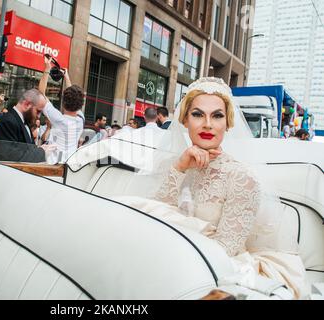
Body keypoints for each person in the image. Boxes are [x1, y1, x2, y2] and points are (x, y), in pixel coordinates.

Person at [114, 77, 308, 299]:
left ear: (228, 123)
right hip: (170, 253)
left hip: (221, 266)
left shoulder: (241, 177)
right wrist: (180, 167)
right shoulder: (173, 164)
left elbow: (224, 252)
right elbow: (154, 215)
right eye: (197, 114)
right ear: (185, 120)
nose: (208, 123)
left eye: (217, 115)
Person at [39, 56, 85, 163]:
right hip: (69, 167)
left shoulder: (59, 119)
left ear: (63, 102)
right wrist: (67, 77)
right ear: (80, 105)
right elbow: (74, 95)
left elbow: (41, 94)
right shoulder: (80, 120)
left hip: (53, 167)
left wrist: (47, 69)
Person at [0, 89, 53, 163]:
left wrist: (42, 149)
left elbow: (27, 150)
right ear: (26, 104)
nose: (39, 116)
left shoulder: (22, 121)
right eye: (38, 111)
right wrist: (42, 151)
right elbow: (12, 157)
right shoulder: (8, 121)